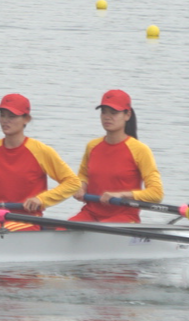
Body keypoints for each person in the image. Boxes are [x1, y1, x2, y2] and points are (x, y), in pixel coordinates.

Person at [0, 93, 79, 230]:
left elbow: (72, 183)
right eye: (2, 115)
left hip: (27, 219)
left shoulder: (41, 151)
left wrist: (41, 200)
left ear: (26, 119)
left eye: (12, 116)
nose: (5, 121)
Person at [69, 89, 164, 222]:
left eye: (113, 112)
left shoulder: (140, 150)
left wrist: (121, 195)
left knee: (99, 233)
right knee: (62, 230)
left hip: (124, 217)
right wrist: (81, 186)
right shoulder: (92, 146)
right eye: (104, 112)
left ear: (127, 115)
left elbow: (156, 193)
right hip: (91, 213)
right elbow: (83, 175)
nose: (107, 117)